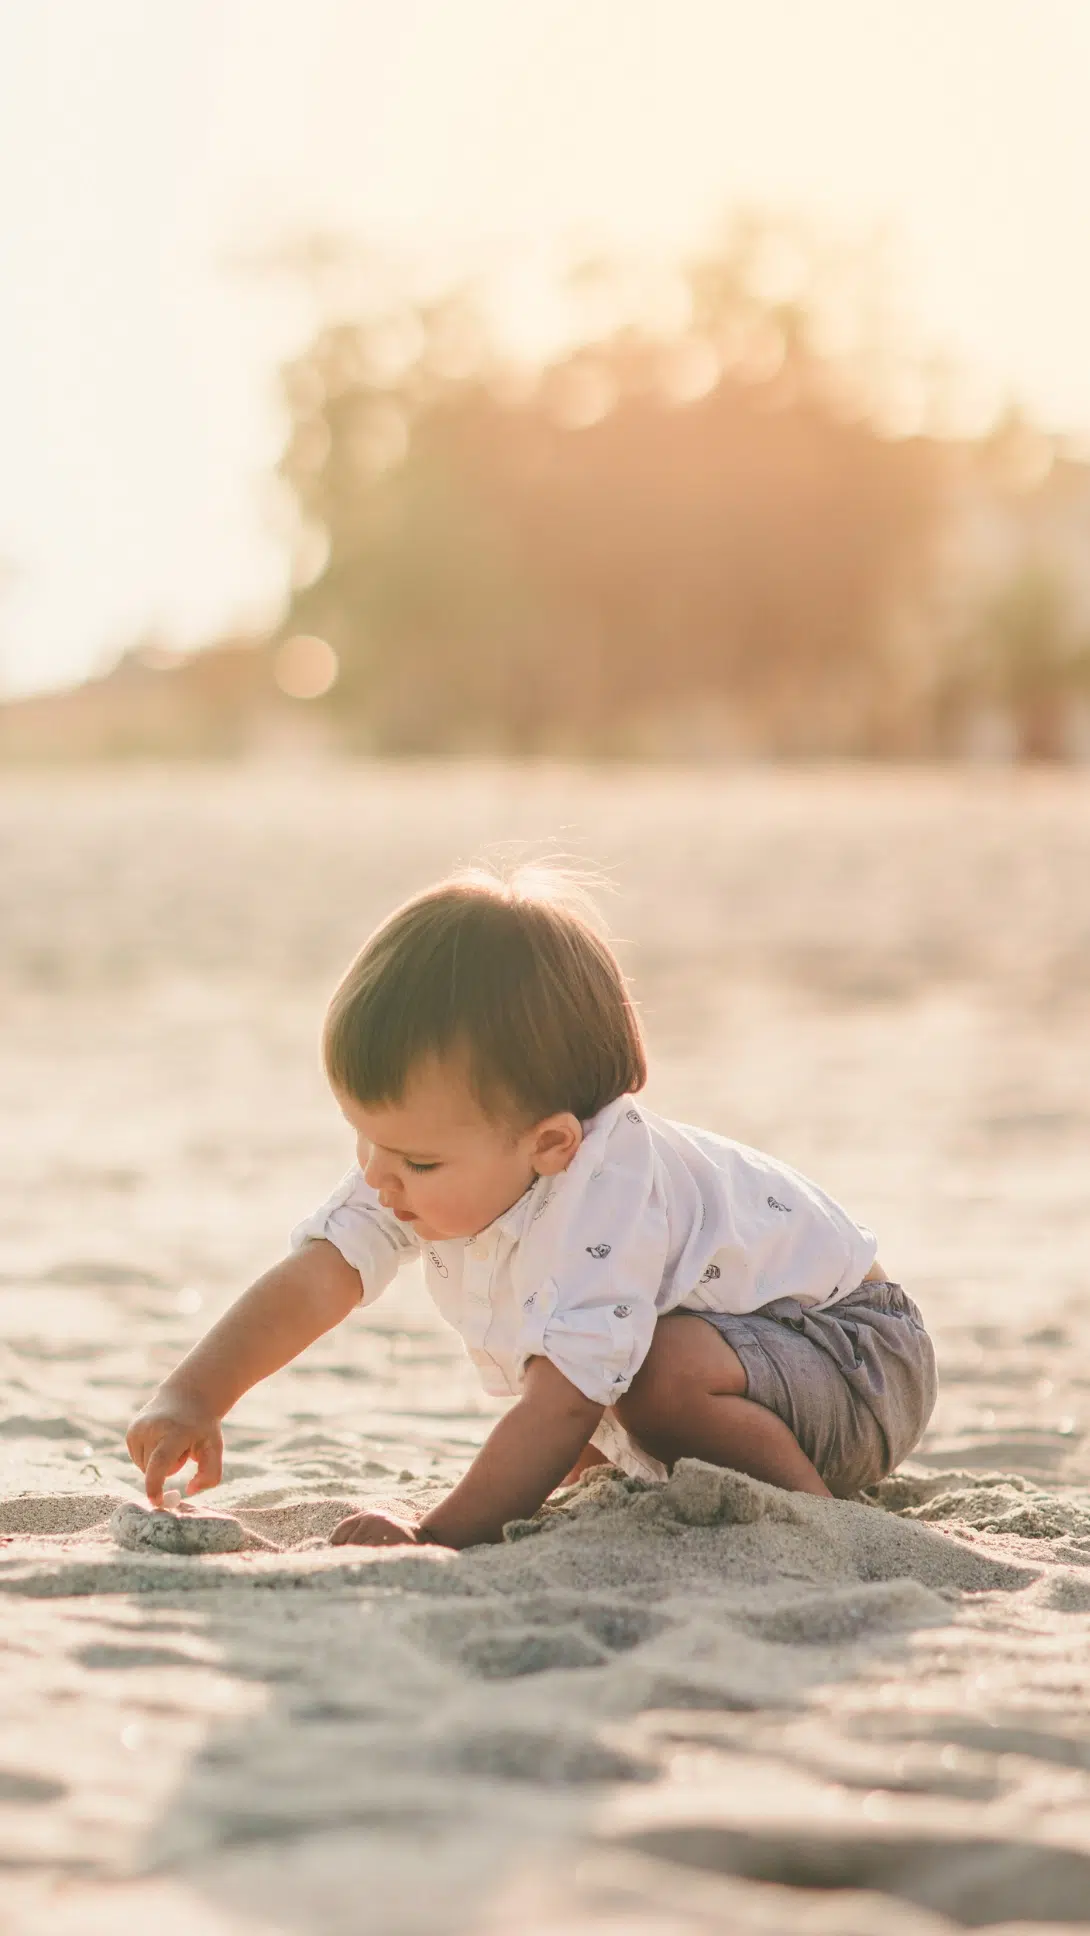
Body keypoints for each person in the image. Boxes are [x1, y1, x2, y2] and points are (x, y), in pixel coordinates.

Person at [127, 866, 937, 1549]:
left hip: (855, 1361)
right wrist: (194, 1396)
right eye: (362, 1139)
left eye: (416, 1159)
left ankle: (810, 1521)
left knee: (641, 1376)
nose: (378, 1177)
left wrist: (436, 1542)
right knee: (613, 1363)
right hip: (759, 1358)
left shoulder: (608, 1192)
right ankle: (644, 1472)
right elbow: (318, 1277)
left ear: (550, 1144)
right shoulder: (415, 1158)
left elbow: (563, 1400)